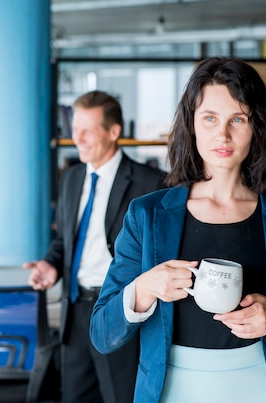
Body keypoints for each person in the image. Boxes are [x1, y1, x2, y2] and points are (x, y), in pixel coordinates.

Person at [90, 57, 266, 403]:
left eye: (237, 119)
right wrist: (144, 288)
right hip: (171, 391)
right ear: (192, 124)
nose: (222, 135)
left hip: (257, 387)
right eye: (209, 118)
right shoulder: (146, 214)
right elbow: (101, 333)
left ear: (257, 126)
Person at [24, 90, 167, 402]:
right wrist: (51, 264)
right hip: (75, 312)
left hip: (120, 309)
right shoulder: (71, 178)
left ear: (114, 132)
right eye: (75, 129)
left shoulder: (150, 184)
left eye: (88, 130)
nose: (79, 138)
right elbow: (65, 239)